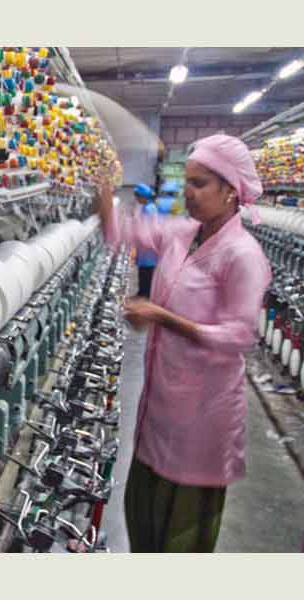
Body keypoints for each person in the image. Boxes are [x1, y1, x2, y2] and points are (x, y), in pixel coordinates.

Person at [95, 134, 272, 553]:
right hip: (160, 408)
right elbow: (121, 231)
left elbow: (239, 335)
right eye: (187, 181)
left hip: (202, 419)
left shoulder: (242, 255)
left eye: (200, 184)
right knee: (144, 523)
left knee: (180, 540)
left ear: (231, 191)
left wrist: (162, 317)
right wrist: (101, 189)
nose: (188, 193)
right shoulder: (181, 232)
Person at [133, 183, 158, 297]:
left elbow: (147, 228)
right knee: (144, 272)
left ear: (143, 196)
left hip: (148, 247)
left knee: (146, 273)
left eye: (137, 196)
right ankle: (142, 293)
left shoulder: (148, 209)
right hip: (147, 247)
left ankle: (144, 296)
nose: (137, 199)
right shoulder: (149, 207)